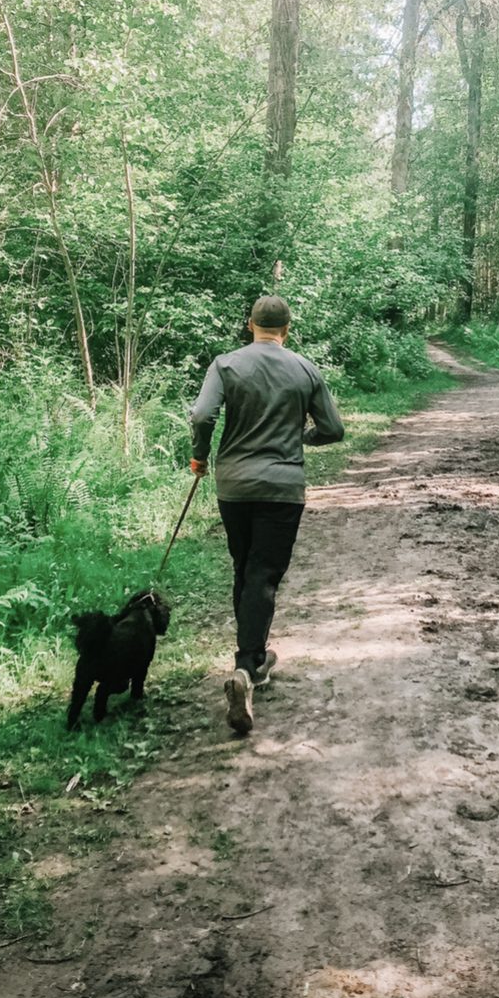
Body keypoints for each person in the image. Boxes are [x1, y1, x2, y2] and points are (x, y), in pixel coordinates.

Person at [189, 295, 344, 734]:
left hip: (234, 485)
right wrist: (302, 440)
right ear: (287, 328)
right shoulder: (304, 368)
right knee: (263, 574)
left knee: (245, 567)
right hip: (282, 487)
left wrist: (199, 457)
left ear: (250, 324)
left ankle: (254, 658)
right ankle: (245, 667)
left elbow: (202, 414)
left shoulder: (225, 364)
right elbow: (334, 429)